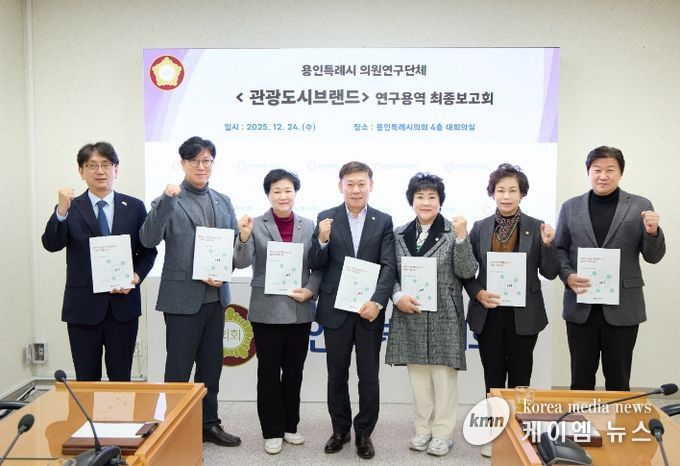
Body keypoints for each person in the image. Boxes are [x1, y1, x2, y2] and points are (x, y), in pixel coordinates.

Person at [139, 136, 241, 447]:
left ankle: (208, 423)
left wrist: (226, 267)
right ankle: (173, 425)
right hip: (182, 299)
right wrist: (167, 200)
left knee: (211, 368)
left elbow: (232, 249)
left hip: (216, 299)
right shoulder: (169, 198)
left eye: (206, 160)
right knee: (178, 368)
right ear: (183, 164)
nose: (201, 166)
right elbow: (148, 239)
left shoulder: (223, 201)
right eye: (194, 160)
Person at [42, 142, 157, 381]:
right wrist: (61, 211)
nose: (100, 171)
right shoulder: (70, 208)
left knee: (121, 379)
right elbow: (51, 244)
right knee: (86, 380)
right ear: (81, 171)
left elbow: (148, 252)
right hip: (82, 308)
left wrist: (135, 277)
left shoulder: (134, 206)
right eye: (92, 165)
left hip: (123, 307)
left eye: (106, 164)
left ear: (116, 169)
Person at [555, 146, 665, 391]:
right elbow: (559, 249)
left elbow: (653, 257)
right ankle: (583, 418)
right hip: (581, 306)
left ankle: (616, 419)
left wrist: (652, 232)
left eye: (610, 170)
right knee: (580, 381)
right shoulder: (570, 207)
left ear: (620, 173)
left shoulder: (640, 205)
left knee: (618, 380)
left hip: (623, 306)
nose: (603, 176)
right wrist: (568, 275)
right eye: (597, 170)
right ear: (588, 172)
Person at [385, 173, 477, 457]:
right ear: (411, 201)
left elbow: (467, 271)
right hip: (410, 312)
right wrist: (397, 296)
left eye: (432, 197)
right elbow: (390, 271)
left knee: (443, 379)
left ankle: (443, 433)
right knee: (419, 380)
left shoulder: (453, 231)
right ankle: (423, 430)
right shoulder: (399, 233)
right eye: (420, 197)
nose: (425, 202)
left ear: (440, 201)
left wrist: (462, 239)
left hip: (444, 315)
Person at [309, 161, 396, 460]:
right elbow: (316, 263)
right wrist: (322, 240)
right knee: (336, 375)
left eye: (361, 183)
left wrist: (378, 302)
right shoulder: (326, 218)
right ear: (340, 186)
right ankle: (340, 430)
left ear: (371, 185)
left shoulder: (383, 220)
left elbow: (388, 266)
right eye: (350, 184)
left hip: (368, 310)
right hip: (336, 309)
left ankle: (364, 433)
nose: (356, 189)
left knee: (369, 376)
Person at [233, 169, 321, 455]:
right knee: (269, 372)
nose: (283, 196)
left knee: (294, 372)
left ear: (295, 193)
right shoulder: (255, 224)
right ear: (268, 195)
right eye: (277, 191)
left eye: (288, 190)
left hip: (299, 309)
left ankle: (290, 426)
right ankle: (271, 430)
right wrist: (243, 237)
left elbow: (318, 266)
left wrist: (310, 290)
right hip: (266, 310)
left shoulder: (309, 225)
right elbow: (242, 262)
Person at [464, 164, 559, 394]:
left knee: (521, 377)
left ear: (522, 193)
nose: (506, 196)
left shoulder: (537, 227)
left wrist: (548, 245)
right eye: (500, 190)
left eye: (512, 190)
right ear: (492, 193)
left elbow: (550, 272)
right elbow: (466, 271)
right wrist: (478, 293)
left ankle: (518, 417)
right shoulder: (480, 228)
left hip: (524, 314)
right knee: (493, 377)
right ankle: (495, 416)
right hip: (489, 313)